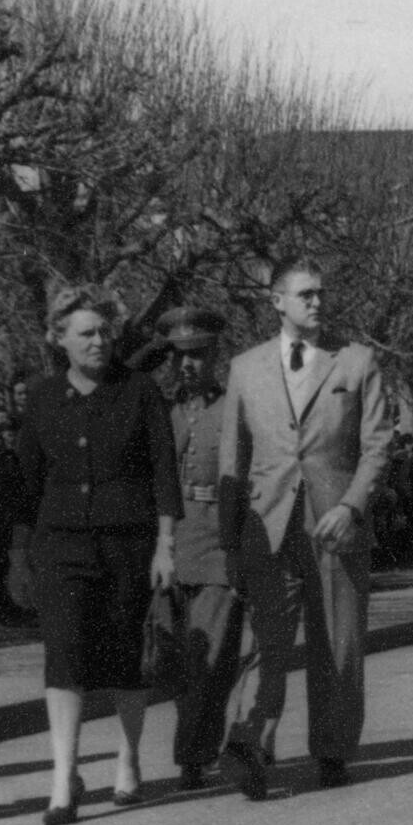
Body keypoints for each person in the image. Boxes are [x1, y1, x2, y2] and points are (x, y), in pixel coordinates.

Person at [215, 257, 397, 797]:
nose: (317, 302)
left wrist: (352, 506)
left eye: (320, 293)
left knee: (337, 641)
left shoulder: (356, 362)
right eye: (305, 295)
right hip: (268, 522)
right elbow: (232, 459)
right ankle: (250, 743)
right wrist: (231, 541)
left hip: (336, 524)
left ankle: (333, 749)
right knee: (264, 638)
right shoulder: (246, 368)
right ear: (277, 301)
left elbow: (377, 446)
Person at [7, 287, 180, 824]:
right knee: (63, 654)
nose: (99, 342)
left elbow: (164, 471)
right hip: (60, 545)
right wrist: (18, 553)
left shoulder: (140, 391)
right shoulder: (42, 397)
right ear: (59, 339)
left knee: (126, 655)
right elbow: (25, 482)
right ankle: (64, 778)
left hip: (128, 543)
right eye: (86, 333)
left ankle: (128, 758)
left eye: (105, 332)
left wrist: (165, 545)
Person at [153, 306, 252, 792]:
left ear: (216, 356)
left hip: (217, 538)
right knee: (171, 657)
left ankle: (194, 753)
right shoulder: (159, 408)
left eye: (197, 355)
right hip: (168, 541)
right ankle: (195, 742)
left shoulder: (234, 407)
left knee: (210, 657)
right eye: (178, 355)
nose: (187, 365)